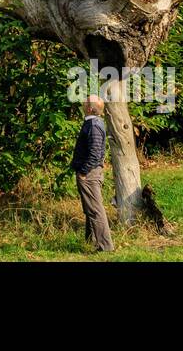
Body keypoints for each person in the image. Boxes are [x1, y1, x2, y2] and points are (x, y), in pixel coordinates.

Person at [72, 94, 114, 252]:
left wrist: (83, 172)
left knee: (95, 209)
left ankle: (105, 246)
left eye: (85, 102)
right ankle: (92, 241)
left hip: (89, 173)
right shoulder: (92, 123)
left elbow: (95, 153)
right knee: (90, 208)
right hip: (89, 172)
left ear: (89, 108)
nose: (82, 103)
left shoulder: (94, 125)